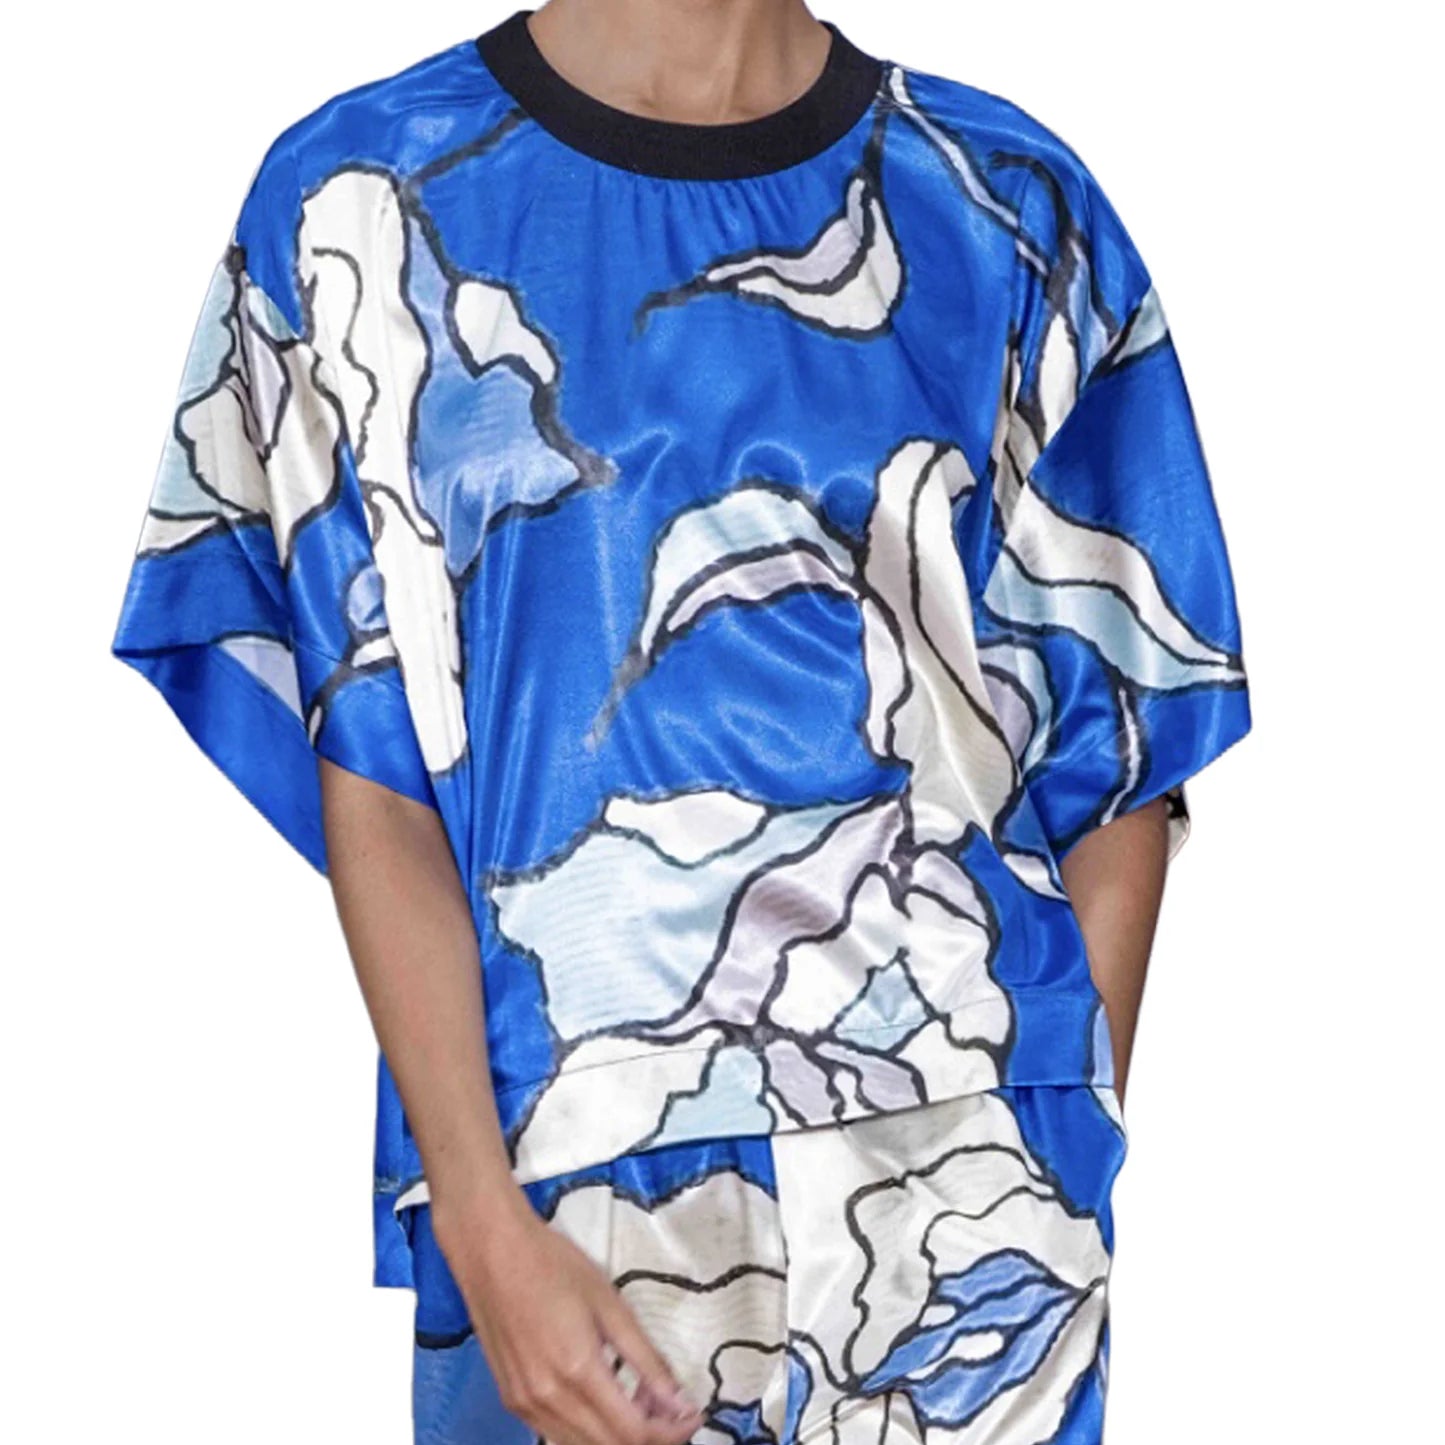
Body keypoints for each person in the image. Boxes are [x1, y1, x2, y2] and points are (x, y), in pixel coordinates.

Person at [110, 1, 1253, 1440]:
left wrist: (1055, 1146)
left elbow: (1118, 748)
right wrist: (475, 1211)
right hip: (563, 1175)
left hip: (967, 1190)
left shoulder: (1006, 206)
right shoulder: (356, 197)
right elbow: (377, 772)